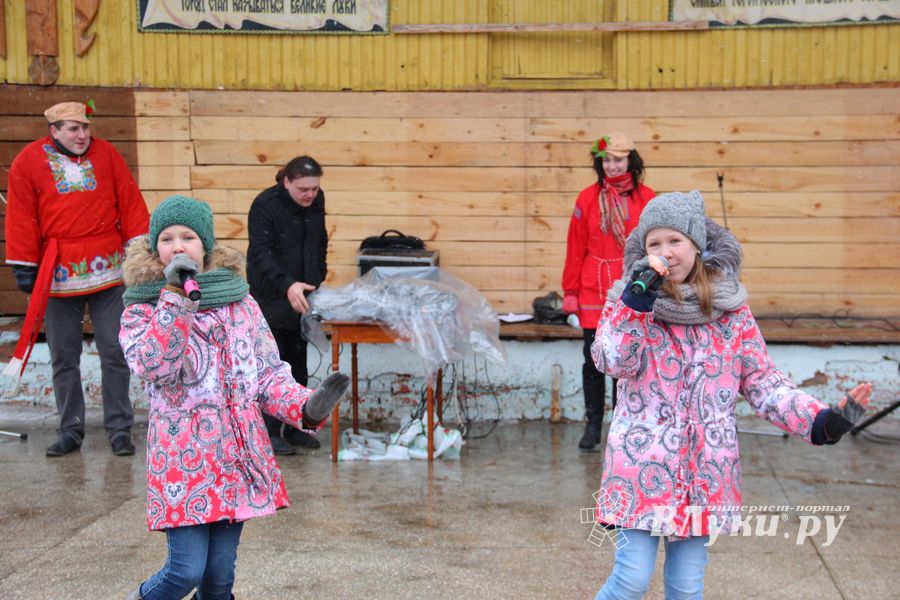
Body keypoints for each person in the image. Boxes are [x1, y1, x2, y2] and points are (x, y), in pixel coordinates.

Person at [590, 191, 873, 600]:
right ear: (643, 249)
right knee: (631, 578)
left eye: (675, 241)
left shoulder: (731, 311)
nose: (666, 252)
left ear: (696, 246)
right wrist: (636, 304)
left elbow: (764, 382)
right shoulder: (628, 300)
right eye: (655, 243)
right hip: (640, 470)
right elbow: (611, 359)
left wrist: (822, 421)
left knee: (687, 587)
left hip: (704, 473)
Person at [119, 195, 349, 600]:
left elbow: (265, 373)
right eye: (167, 238)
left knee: (219, 580)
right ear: (156, 247)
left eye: (188, 237)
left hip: (236, 458)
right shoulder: (141, 307)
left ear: (204, 245)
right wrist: (174, 297)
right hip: (183, 462)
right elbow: (155, 366)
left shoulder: (239, 301)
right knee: (184, 571)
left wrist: (305, 407)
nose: (178, 246)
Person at [4, 100, 149, 457]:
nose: (82, 134)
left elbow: (129, 202)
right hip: (57, 273)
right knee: (63, 354)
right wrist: (25, 262)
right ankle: (70, 429)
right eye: (73, 128)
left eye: (85, 127)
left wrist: (140, 254)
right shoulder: (28, 161)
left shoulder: (108, 155)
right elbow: (22, 213)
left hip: (109, 269)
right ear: (54, 131)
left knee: (115, 350)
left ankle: (119, 428)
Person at [561, 132, 655, 451]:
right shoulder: (586, 198)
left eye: (618, 159)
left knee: (625, 360)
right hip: (592, 284)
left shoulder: (648, 199)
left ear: (631, 160)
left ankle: (621, 424)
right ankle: (592, 425)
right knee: (592, 358)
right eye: (607, 161)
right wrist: (570, 290)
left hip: (631, 284)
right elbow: (575, 247)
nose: (613, 166)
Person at [246, 155, 329, 455]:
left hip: (304, 293)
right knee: (272, 365)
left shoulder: (316, 202)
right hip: (272, 295)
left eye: (315, 189)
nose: (310, 195)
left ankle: (298, 426)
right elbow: (261, 254)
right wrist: (287, 284)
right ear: (287, 182)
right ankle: (268, 432)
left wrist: (318, 274)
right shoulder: (265, 206)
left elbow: (320, 240)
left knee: (299, 362)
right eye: (303, 189)